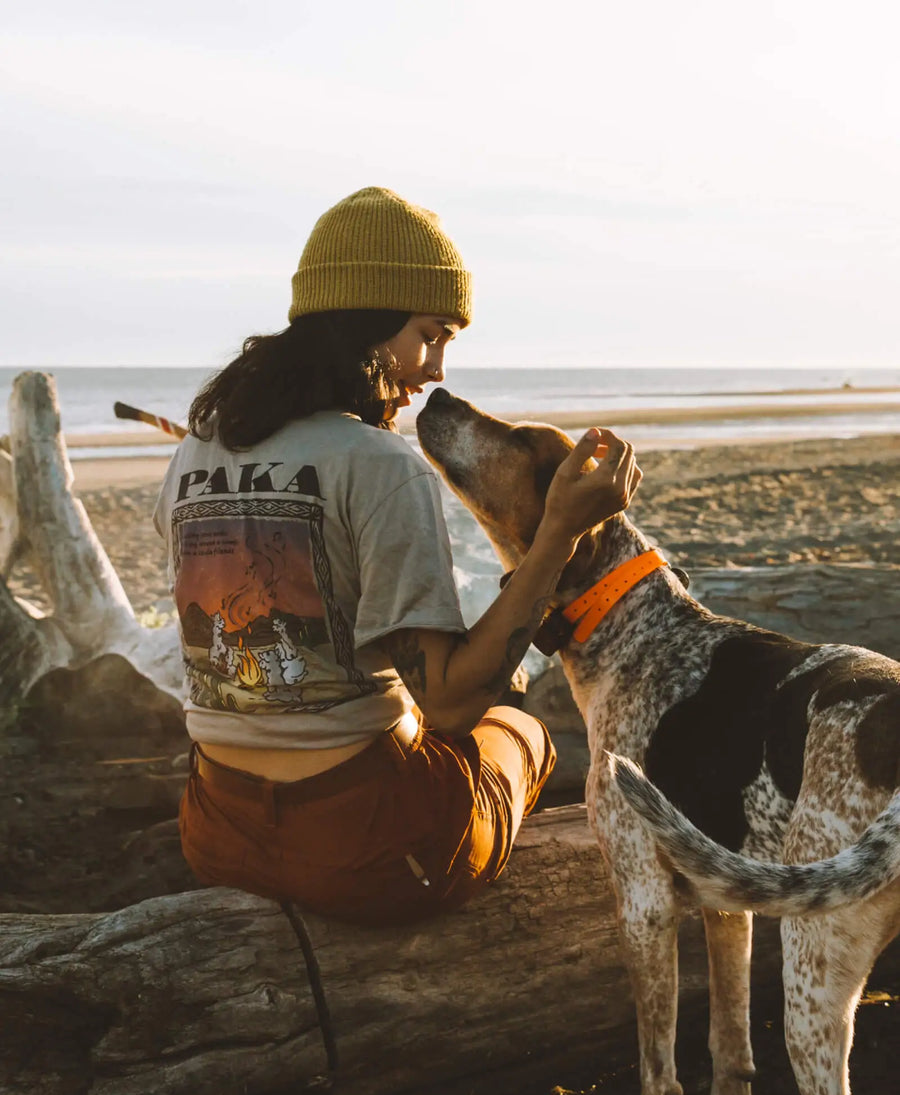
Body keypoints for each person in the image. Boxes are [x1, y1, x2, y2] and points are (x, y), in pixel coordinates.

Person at [154, 186, 641, 926]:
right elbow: (447, 702)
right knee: (523, 730)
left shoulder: (193, 454)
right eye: (430, 332)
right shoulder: (378, 462)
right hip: (373, 852)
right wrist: (559, 534)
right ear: (370, 324)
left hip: (216, 829)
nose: (437, 365)